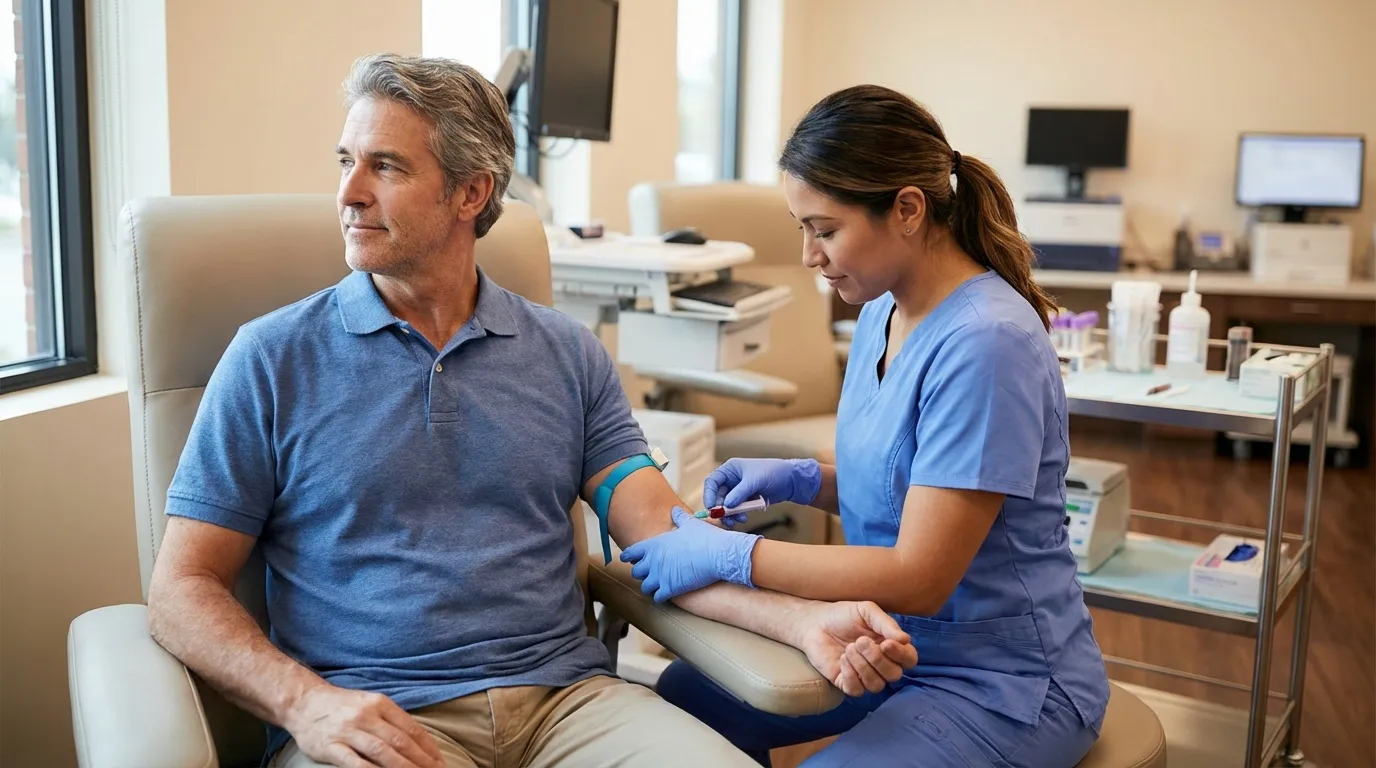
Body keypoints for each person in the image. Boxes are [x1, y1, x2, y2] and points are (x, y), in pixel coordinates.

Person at [145, 58, 920, 768]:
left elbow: (660, 535)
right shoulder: (272, 358)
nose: (349, 193)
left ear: (471, 192)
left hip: (569, 707)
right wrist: (304, 704)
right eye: (347, 162)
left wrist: (800, 622)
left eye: (385, 166)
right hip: (383, 718)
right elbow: (181, 589)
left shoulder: (565, 355)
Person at [619, 84, 1111, 767]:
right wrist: (801, 481)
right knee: (681, 704)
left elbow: (920, 572)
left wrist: (732, 559)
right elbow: (906, 483)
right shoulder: (882, 311)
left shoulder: (986, 344)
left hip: (1003, 679)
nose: (807, 256)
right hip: (890, 639)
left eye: (824, 230)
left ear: (907, 209)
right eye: (801, 229)